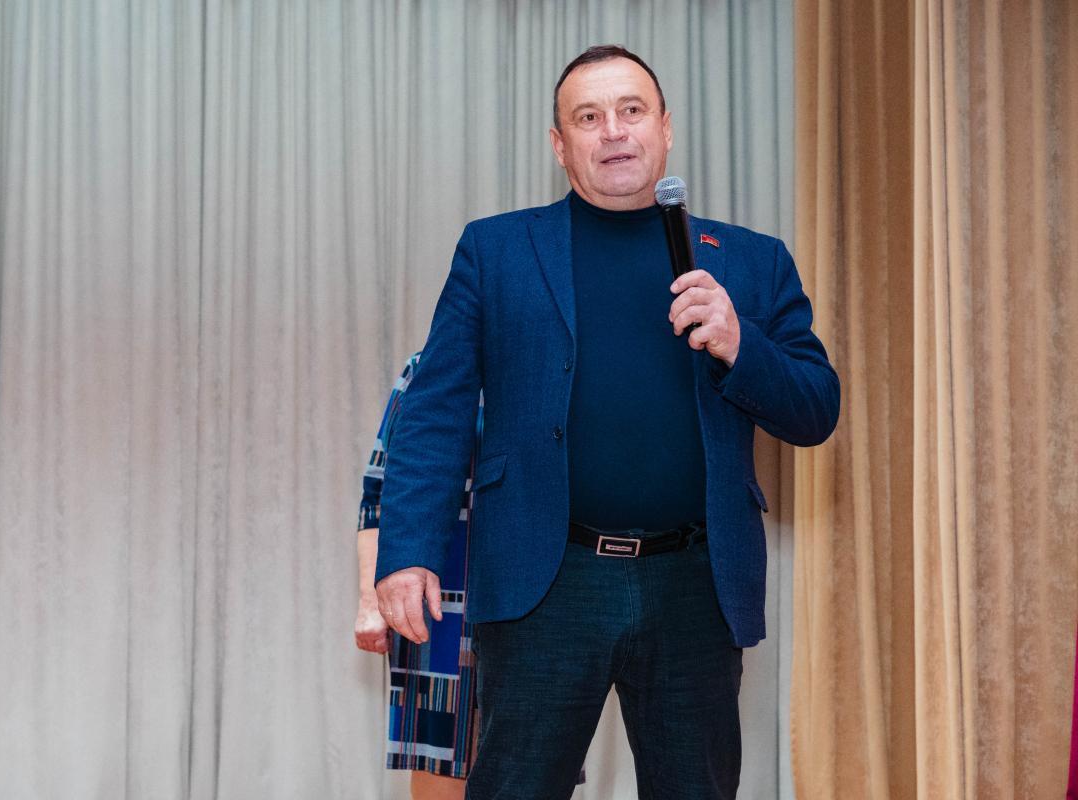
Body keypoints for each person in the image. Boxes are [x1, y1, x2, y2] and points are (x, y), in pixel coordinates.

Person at [374, 44, 841, 799]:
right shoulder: (496, 250)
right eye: (588, 118)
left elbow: (816, 409)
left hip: (695, 582)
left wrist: (739, 342)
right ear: (560, 146)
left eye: (631, 110)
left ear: (666, 128)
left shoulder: (751, 262)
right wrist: (408, 553)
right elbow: (435, 412)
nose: (614, 131)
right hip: (545, 577)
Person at [355, 353, 481, 800]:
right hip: (439, 603)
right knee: (441, 765)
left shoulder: (558, 365)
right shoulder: (431, 369)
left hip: (540, 599)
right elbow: (378, 495)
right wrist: (371, 603)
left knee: (536, 758)